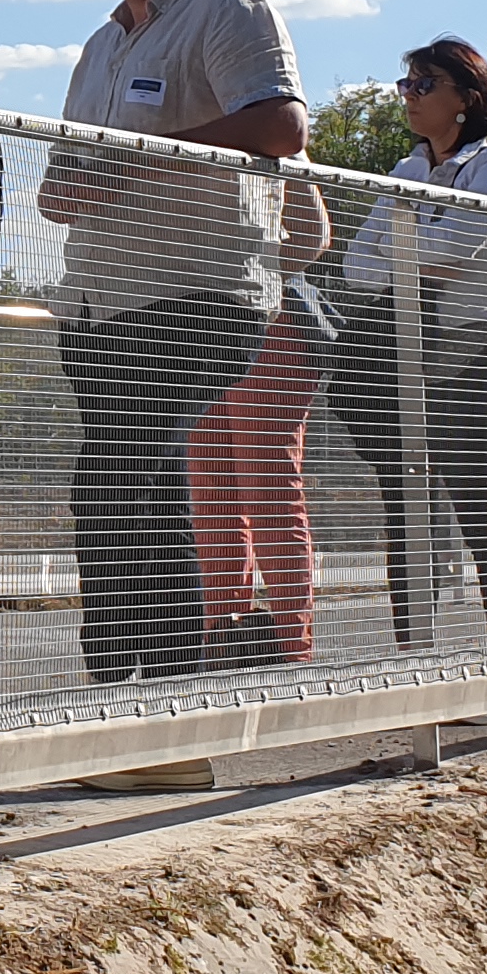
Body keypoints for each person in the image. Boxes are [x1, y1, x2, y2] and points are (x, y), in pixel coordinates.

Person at [31, 0, 306, 684]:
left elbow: (281, 124)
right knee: (130, 486)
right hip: (97, 302)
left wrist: (141, 165)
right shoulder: (98, 46)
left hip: (196, 288)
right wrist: (67, 189)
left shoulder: (227, 9)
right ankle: (139, 693)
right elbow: (63, 180)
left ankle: (154, 695)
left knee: (121, 476)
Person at [332, 39, 487, 647]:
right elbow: (355, 267)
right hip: (405, 350)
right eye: (407, 84)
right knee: (406, 509)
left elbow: (457, 250)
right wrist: (416, 261)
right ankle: (415, 665)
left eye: (425, 85)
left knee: (480, 508)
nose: (410, 96)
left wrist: (408, 255)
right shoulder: (406, 171)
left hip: (472, 350)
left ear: (465, 102)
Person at [183, 170, 338, 668]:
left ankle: (292, 650)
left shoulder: (264, 114)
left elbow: (313, 234)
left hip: (270, 325)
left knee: (268, 492)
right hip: (203, 328)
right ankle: (223, 645)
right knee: (211, 498)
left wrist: (250, 282)